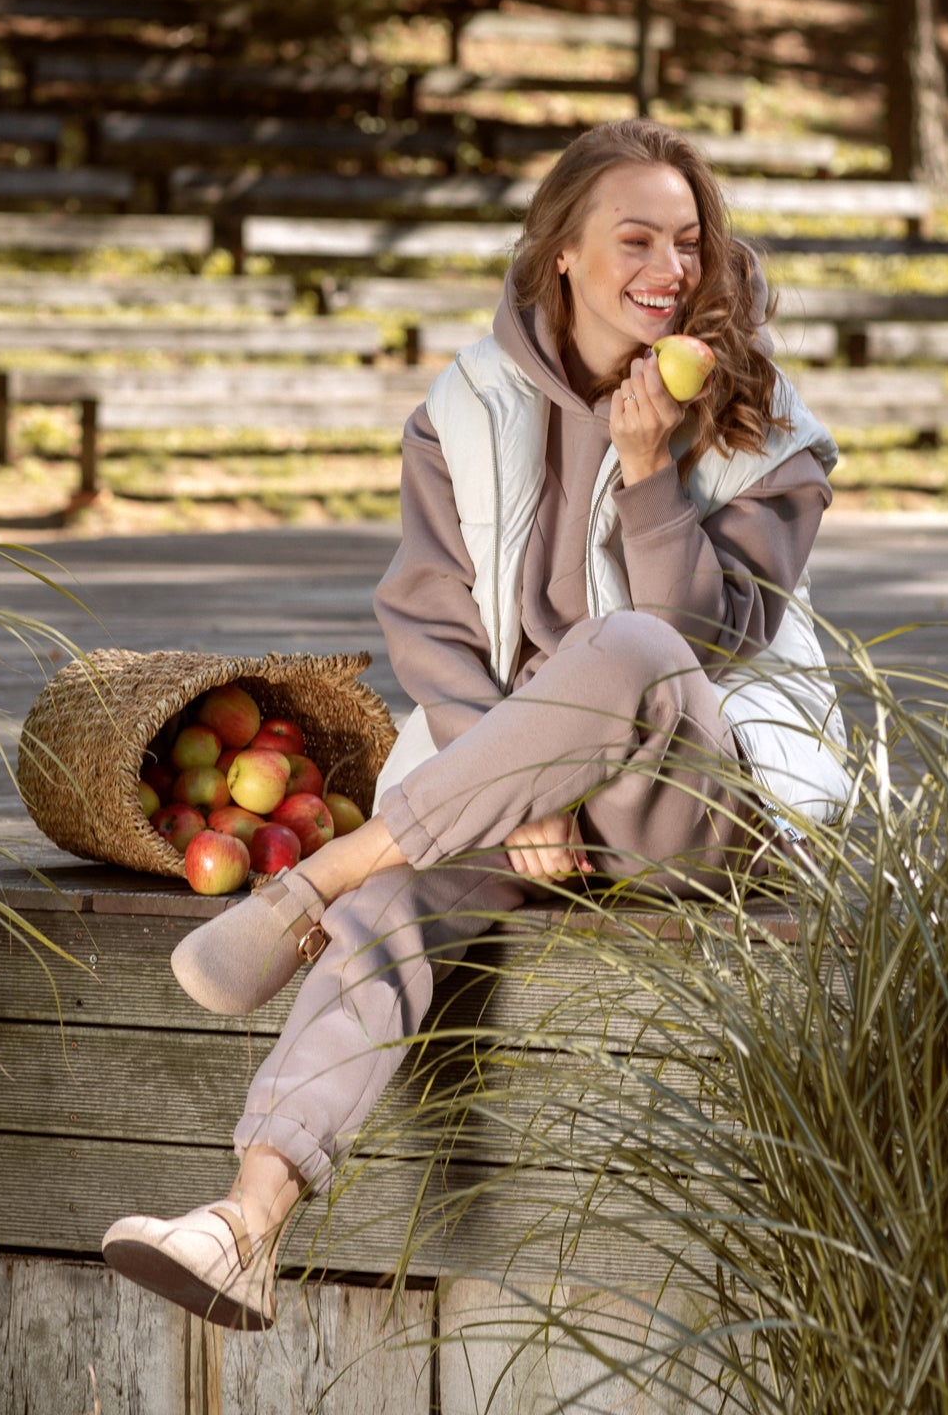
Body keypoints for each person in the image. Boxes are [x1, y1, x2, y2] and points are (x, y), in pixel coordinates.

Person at [102, 118, 851, 1329]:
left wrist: (651, 473)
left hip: (696, 803)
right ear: (563, 251)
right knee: (391, 908)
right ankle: (245, 1219)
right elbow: (430, 624)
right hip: (516, 802)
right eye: (636, 238)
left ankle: (318, 876)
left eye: (688, 241)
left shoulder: (766, 429)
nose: (670, 267)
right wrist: (523, 778)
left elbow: (698, 644)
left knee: (632, 643)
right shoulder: (463, 412)